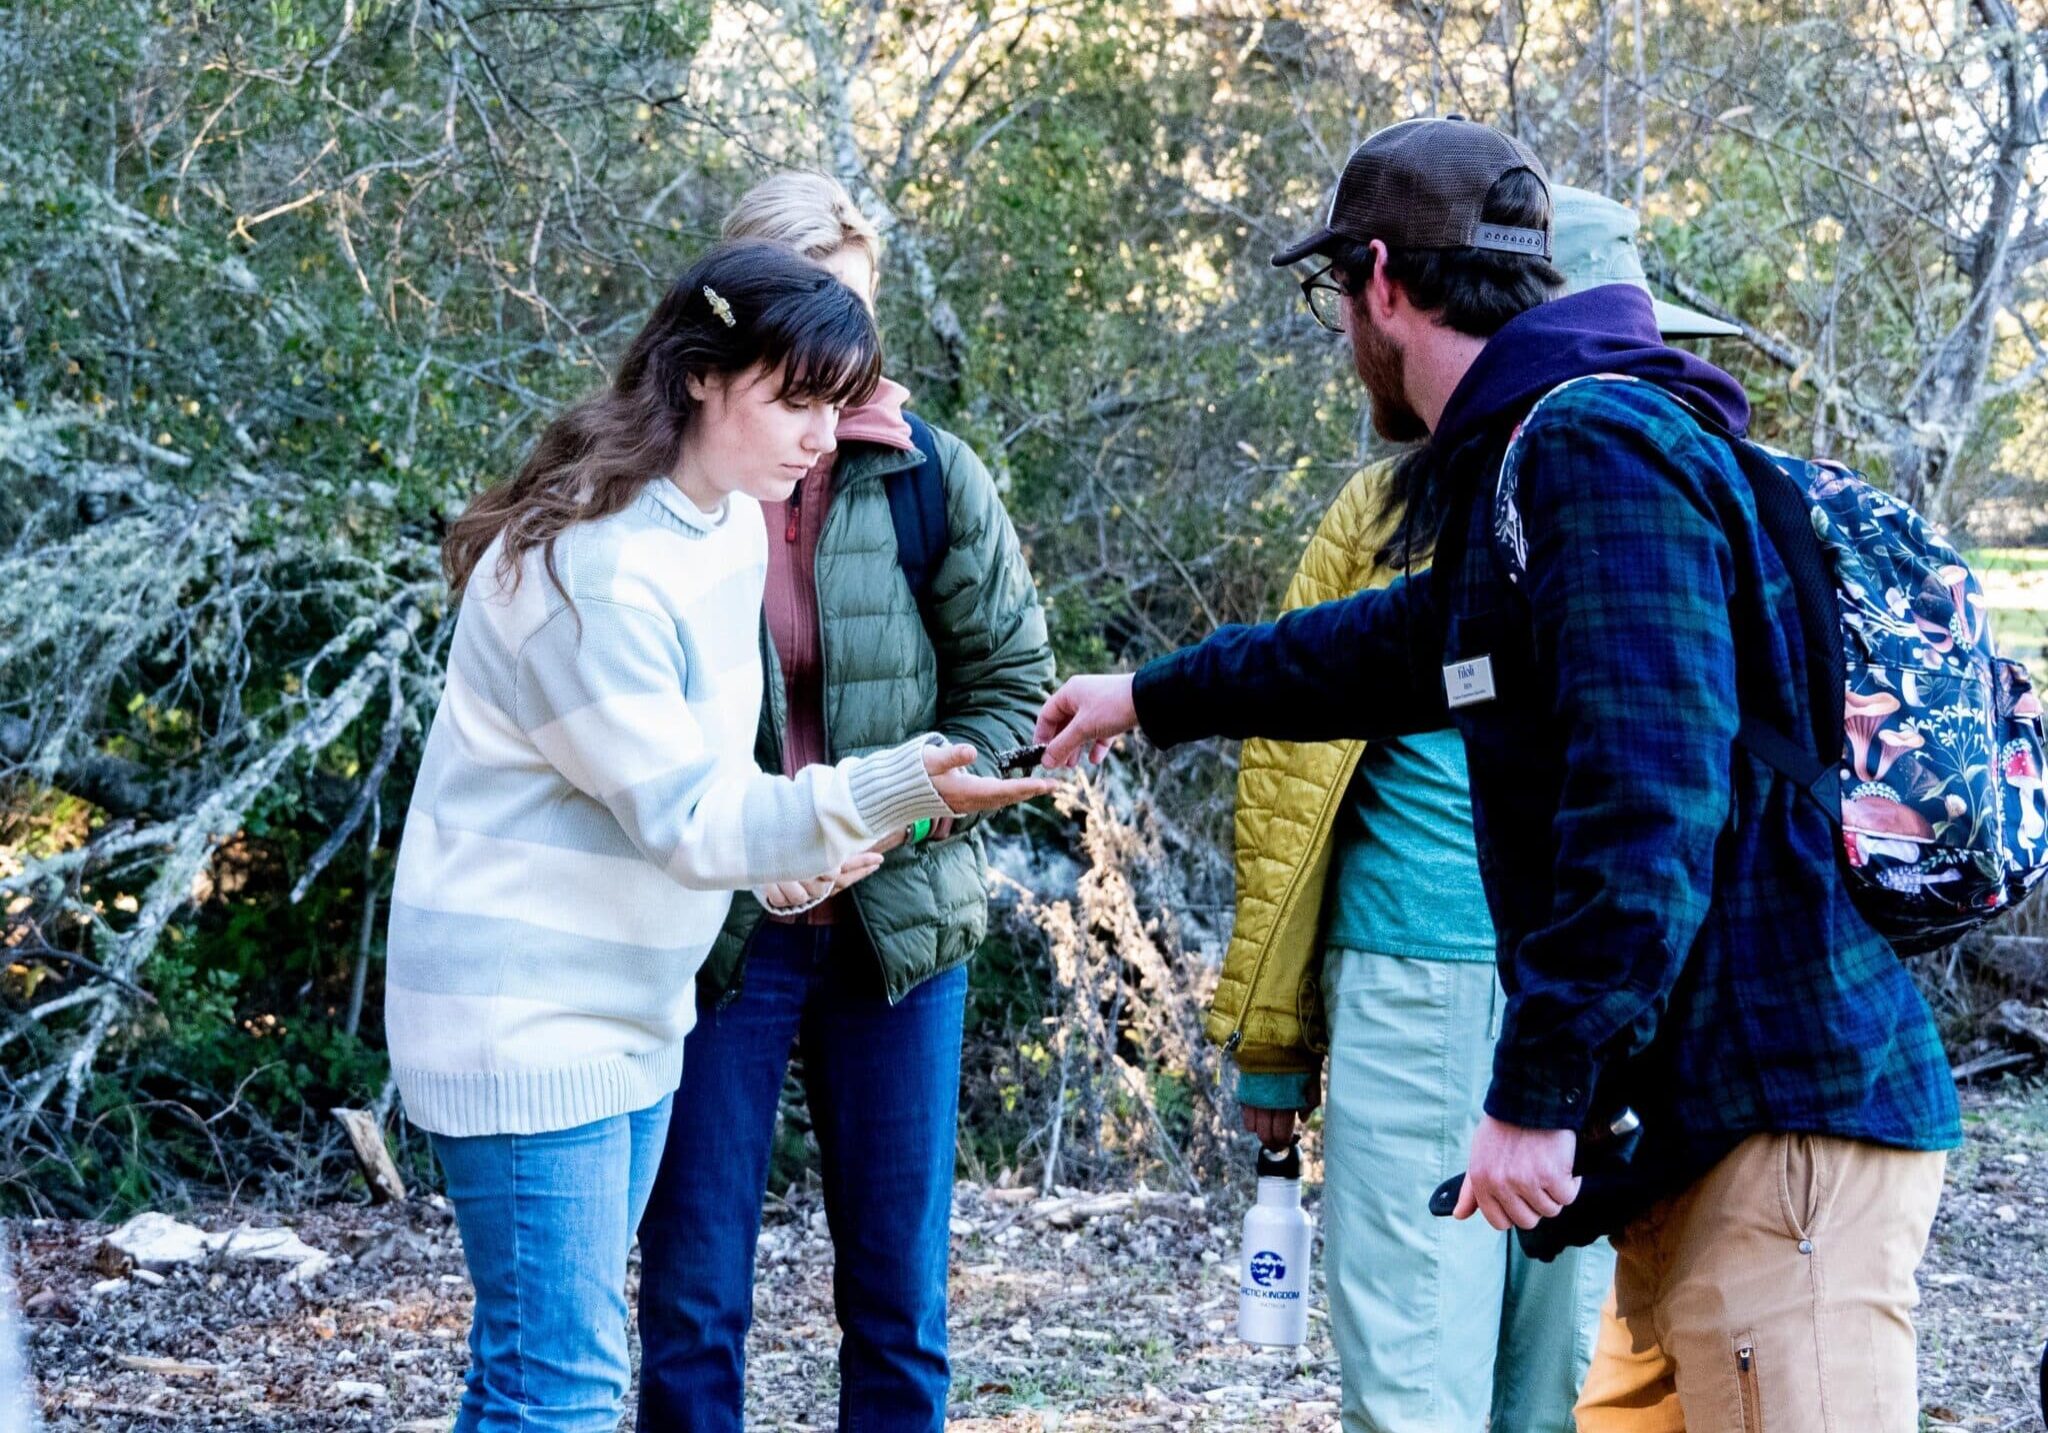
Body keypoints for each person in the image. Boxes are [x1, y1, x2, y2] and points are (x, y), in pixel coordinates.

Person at [1037, 117, 1958, 1433]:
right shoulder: (1533, 459)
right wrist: (1150, 695)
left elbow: (1651, 799)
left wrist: (1535, 1092)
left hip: (1785, 1132)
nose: (1340, 328)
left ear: (1384, 280)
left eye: (1333, 296)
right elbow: (1398, 645)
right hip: (1710, 1138)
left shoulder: (1591, 450)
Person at [384, 240, 1056, 1433]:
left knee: (523, 1378)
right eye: (794, 401)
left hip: (629, 1006)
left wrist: (805, 861)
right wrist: (894, 784)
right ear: (700, 375)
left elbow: (703, 785)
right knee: (564, 1394)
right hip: (525, 1021)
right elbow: (690, 817)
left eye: (834, 404)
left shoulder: (719, 522)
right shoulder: (592, 567)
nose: (819, 435)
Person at [1221, 183, 1737, 1433]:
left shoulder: (1624, 470)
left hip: (1586, 987)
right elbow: (1294, 783)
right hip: (1425, 961)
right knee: (1423, 1364)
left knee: (1547, 1378)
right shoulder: (1403, 512)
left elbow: (1660, 784)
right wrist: (1273, 1035)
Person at [634, 173, 1055, 1433]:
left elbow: (1012, 688)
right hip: (718, 936)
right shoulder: (661, 495)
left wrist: (891, 819)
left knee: (895, 1304)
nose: (840, 365)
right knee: (693, 1302)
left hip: (900, 930)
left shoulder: (929, 476)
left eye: (857, 323)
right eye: (807, 325)